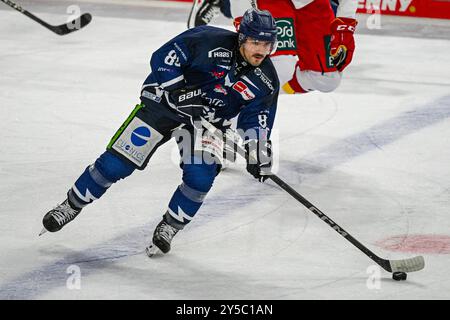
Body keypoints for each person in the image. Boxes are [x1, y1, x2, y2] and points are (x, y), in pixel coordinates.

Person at [40, 8, 280, 257]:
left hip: (205, 124)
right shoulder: (207, 40)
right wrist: (177, 92)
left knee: (200, 178)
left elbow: (258, 117)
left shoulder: (266, 80)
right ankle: (70, 205)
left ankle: (170, 226)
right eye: (255, 42)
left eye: (267, 44)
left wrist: (258, 151)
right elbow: (164, 57)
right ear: (242, 38)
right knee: (116, 164)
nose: (261, 50)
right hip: (163, 105)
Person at [189, 0, 358, 94]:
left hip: (312, 4)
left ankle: (259, 92)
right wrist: (245, 17)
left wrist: (345, 25)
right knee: (281, 67)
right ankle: (224, 117)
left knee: (327, 79)